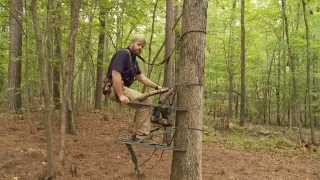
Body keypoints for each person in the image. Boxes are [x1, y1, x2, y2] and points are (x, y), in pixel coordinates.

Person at [106, 35, 162, 141]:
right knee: (145, 101)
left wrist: (156, 86)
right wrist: (121, 95)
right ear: (132, 43)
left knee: (145, 102)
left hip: (121, 88)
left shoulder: (133, 59)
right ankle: (142, 135)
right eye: (138, 44)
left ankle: (140, 133)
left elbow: (141, 77)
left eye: (142, 46)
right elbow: (115, 74)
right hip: (115, 88)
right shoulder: (123, 54)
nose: (140, 48)